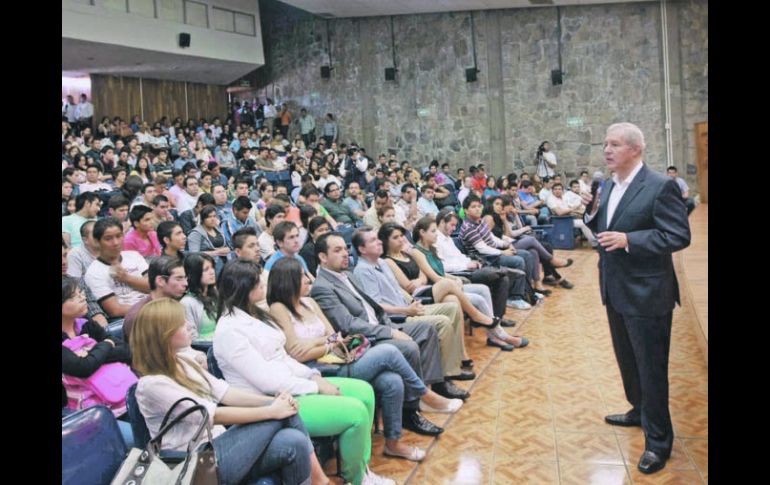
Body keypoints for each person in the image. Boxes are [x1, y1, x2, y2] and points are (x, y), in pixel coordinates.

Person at [214, 259, 395, 484]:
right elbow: (268, 381)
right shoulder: (229, 331)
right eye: (257, 282)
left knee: (365, 392)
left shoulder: (255, 314)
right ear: (243, 288)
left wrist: (313, 376)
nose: (263, 284)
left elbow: (283, 358)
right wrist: (315, 386)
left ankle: (361, 469)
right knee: (356, 414)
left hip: (293, 383)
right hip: (272, 400)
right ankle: (356, 479)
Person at [581, 122, 691, 475]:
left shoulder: (661, 186)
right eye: (605, 144)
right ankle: (638, 409)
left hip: (647, 292)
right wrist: (590, 212)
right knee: (627, 360)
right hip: (615, 288)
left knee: (651, 367)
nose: (606, 150)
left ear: (635, 149)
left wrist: (630, 240)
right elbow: (603, 231)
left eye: (614, 144)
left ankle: (658, 441)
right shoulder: (607, 185)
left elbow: (677, 234)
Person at [130, 298, 327, 485]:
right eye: (181, 324)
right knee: (282, 414)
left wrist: (271, 401)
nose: (189, 326)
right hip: (194, 464)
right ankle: (321, 481)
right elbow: (210, 415)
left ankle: (317, 480)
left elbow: (226, 393)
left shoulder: (182, 362)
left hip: (218, 447)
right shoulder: (151, 385)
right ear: (165, 333)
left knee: (295, 441)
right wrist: (272, 410)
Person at [181, 253, 219, 342]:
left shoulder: (216, 294)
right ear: (195, 273)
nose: (212, 272)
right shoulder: (187, 302)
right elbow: (192, 336)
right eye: (206, 269)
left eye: (212, 267)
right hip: (203, 348)